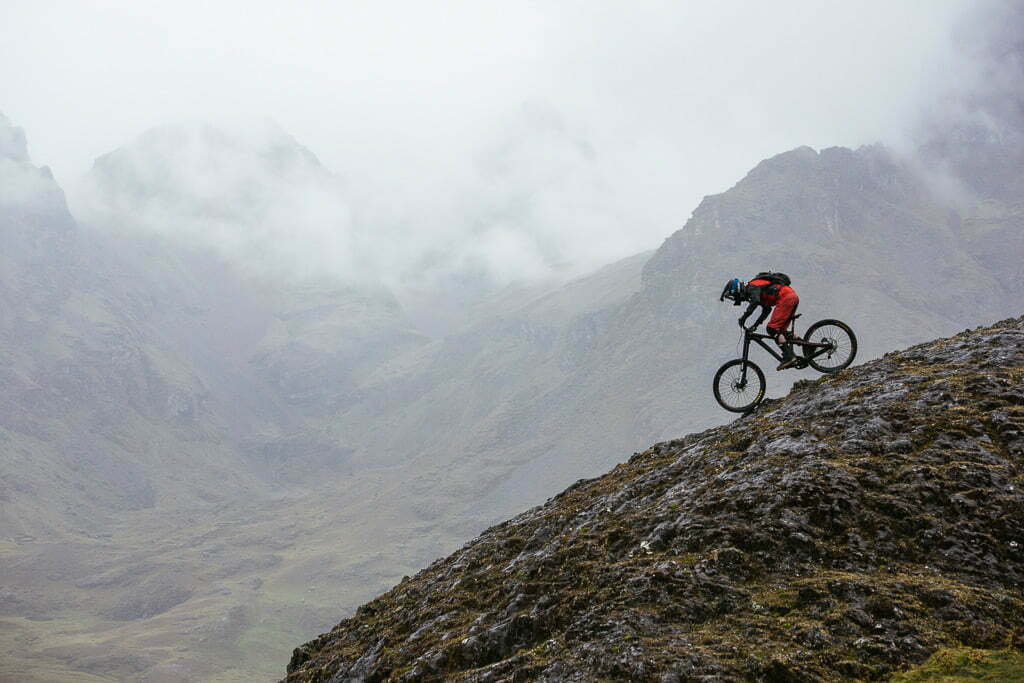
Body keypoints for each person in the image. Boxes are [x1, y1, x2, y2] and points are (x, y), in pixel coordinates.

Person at [720, 273, 801, 370]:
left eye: (733, 296)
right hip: (791, 296)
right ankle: (807, 346)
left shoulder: (752, 287)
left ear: (736, 291)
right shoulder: (757, 289)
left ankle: (789, 357)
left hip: (786, 298)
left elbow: (755, 302)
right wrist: (755, 325)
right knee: (781, 332)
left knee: (772, 329)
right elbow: (766, 310)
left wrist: (743, 318)